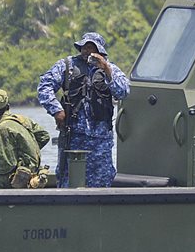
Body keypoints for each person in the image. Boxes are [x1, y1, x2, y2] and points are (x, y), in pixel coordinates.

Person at [37, 31, 130, 187]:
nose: (87, 52)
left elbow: (123, 92)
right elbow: (44, 88)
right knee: (68, 180)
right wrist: (56, 110)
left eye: (92, 48)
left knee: (101, 181)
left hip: (100, 140)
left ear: (100, 51)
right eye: (84, 47)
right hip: (73, 137)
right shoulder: (67, 66)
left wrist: (106, 70)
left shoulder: (110, 68)